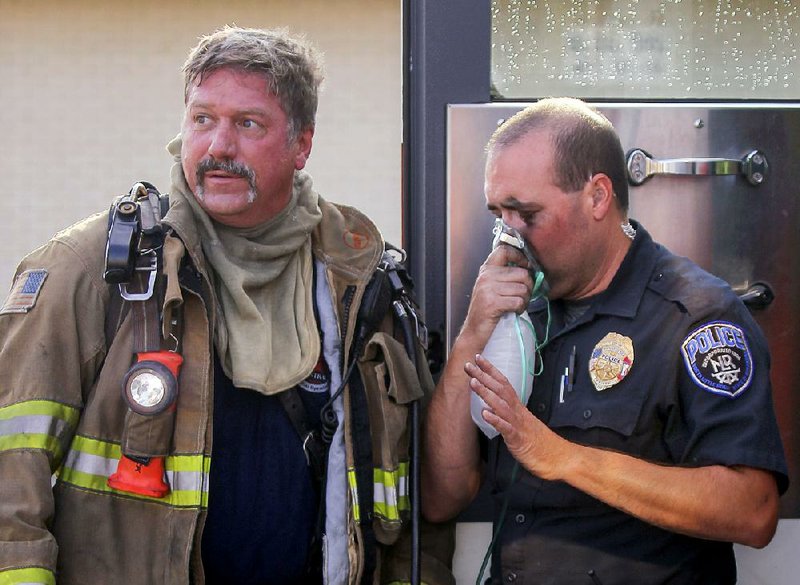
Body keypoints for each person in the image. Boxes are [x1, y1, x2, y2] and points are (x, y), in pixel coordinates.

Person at [0, 26, 454, 585]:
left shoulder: (358, 280)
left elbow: (412, 504)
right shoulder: (96, 270)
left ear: (302, 143)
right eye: (202, 119)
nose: (217, 147)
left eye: (248, 123)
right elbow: (10, 478)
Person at [422, 97, 788, 584]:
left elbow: (753, 510)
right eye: (498, 215)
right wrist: (472, 332)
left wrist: (565, 457)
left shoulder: (696, 317)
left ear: (597, 197)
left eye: (526, 214)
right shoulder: (518, 312)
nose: (509, 238)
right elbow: (442, 496)